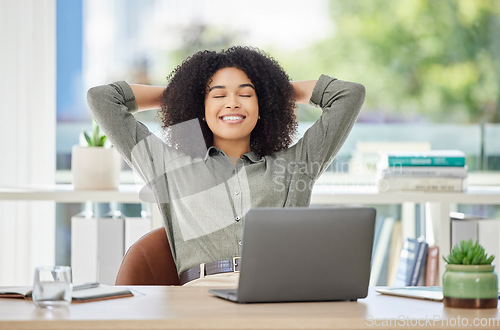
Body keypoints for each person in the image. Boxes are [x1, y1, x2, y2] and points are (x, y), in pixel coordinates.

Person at [87, 46, 365, 286]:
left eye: (246, 94)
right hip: (200, 298)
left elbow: (349, 94)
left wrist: (275, 90)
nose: (232, 103)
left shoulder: (295, 165)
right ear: (201, 109)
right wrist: (182, 94)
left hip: (276, 295)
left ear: (262, 107)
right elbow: (102, 98)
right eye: (218, 96)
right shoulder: (168, 166)